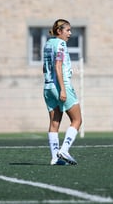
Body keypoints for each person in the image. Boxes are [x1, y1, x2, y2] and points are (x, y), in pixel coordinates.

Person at [43, 19, 82, 165]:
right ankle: (64, 150)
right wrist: (63, 90)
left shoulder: (47, 44)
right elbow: (58, 66)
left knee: (54, 122)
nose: (70, 33)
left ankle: (55, 158)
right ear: (59, 31)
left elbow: (46, 67)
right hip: (60, 85)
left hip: (47, 87)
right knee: (77, 120)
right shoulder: (61, 44)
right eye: (68, 30)